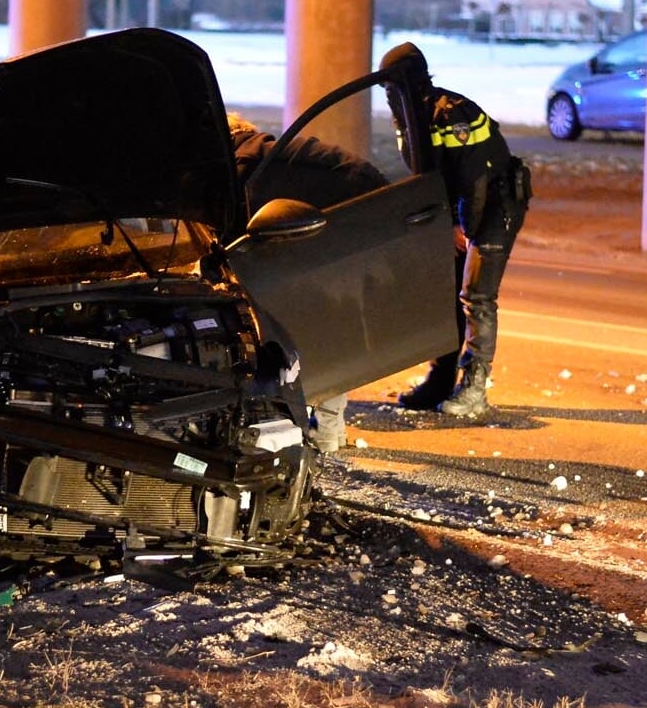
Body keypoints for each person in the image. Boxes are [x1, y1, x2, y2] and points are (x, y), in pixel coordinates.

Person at [384, 44, 531, 418]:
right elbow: (430, 176)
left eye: (393, 87)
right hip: (463, 209)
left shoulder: (450, 113)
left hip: (495, 207)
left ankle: (474, 389)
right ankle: (441, 380)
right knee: (448, 293)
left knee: (477, 296)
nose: (388, 97)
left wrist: (462, 227)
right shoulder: (414, 116)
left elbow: (474, 179)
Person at [227, 112, 387, 452]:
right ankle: (331, 429)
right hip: (339, 233)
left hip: (329, 241)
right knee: (329, 331)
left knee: (315, 332)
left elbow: (234, 230)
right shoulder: (271, 152)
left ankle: (325, 431)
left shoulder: (243, 163)